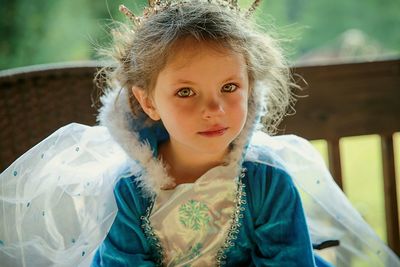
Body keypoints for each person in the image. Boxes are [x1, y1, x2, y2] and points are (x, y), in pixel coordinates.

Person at [0, 1, 399, 266]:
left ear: (250, 87)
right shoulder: (129, 192)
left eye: (229, 88)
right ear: (148, 100)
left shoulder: (269, 183)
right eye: (185, 92)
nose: (214, 109)